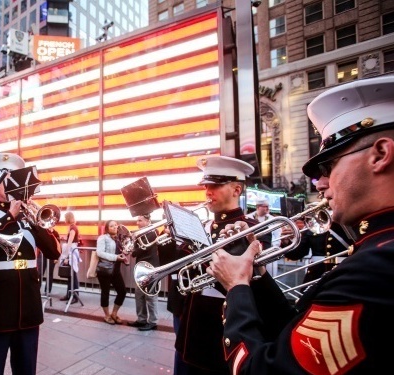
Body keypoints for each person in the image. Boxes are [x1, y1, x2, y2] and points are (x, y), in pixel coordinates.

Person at [206, 76, 394, 373]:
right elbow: (292, 335)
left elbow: (263, 370)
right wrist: (256, 275)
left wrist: (237, 288)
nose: (320, 183)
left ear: (380, 154)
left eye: (329, 166)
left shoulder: (377, 267)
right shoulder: (376, 250)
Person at [174, 155, 271, 375]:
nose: (208, 191)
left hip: (223, 333)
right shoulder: (203, 226)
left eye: (215, 185)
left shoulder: (254, 228)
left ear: (236, 190)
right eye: (206, 186)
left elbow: (250, 280)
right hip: (191, 332)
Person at [0, 152, 61, 375]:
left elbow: (54, 252)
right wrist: (8, 217)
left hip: (28, 306)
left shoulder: (29, 217)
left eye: (12, 179)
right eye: (4, 179)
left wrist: (37, 222)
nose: (9, 184)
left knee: (26, 369)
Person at [284, 219, 351, 285]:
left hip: (342, 273)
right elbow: (297, 254)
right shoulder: (312, 226)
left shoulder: (347, 224)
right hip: (315, 275)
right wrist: (287, 243)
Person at [127, 214, 160, 331]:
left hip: (150, 267)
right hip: (141, 267)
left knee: (150, 295)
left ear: (147, 221)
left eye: (140, 220)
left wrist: (133, 250)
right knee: (139, 294)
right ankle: (141, 319)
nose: (138, 223)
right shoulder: (141, 233)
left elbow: (140, 250)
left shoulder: (152, 232)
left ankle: (153, 321)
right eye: (137, 220)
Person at [95, 220, 128, 325]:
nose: (114, 227)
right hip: (105, 270)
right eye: (111, 226)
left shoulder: (118, 238)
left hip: (116, 270)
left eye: (115, 225)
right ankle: (107, 315)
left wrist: (124, 256)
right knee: (105, 292)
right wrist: (115, 257)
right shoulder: (102, 238)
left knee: (122, 291)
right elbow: (99, 253)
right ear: (107, 228)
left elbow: (120, 252)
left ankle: (114, 313)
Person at [59, 211, 81, 303]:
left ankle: (74, 296)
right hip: (72, 251)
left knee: (72, 275)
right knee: (71, 274)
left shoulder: (72, 228)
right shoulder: (73, 227)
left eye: (65, 218)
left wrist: (67, 257)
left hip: (71, 252)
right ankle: (70, 294)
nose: (64, 220)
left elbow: (70, 242)